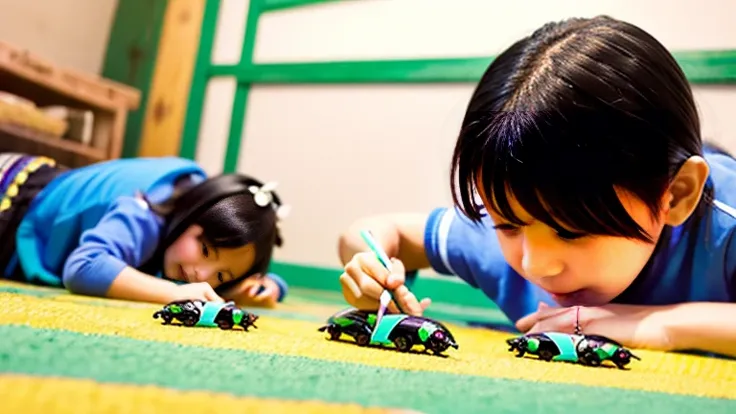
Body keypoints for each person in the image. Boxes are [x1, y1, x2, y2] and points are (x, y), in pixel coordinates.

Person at [336, 15, 736, 357]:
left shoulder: (725, 225)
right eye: (508, 224)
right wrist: (371, 267)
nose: (534, 264)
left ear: (677, 194)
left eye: (571, 231)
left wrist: (655, 325)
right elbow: (368, 233)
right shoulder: (508, 234)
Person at [0, 152, 289, 307]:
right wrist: (173, 293)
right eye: (204, 250)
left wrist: (269, 287)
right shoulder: (143, 214)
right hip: (13, 208)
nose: (202, 275)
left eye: (221, 276)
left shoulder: (194, 192)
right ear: (192, 215)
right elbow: (84, 266)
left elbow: (237, 265)